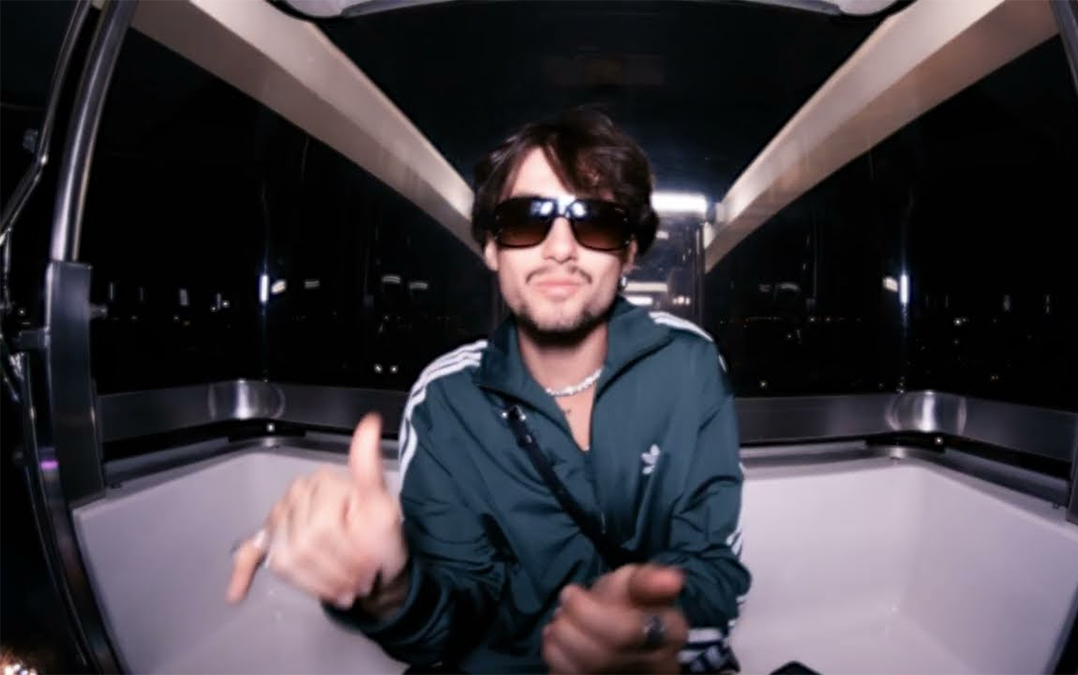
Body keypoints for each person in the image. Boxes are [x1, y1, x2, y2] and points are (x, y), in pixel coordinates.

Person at [226, 108, 750, 673]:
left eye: (595, 222)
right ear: (492, 248)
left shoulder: (688, 364)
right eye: (526, 220)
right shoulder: (446, 400)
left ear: (627, 252)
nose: (559, 248)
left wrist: (653, 626)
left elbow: (714, 570)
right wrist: (390, 589)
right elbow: (449, 618)